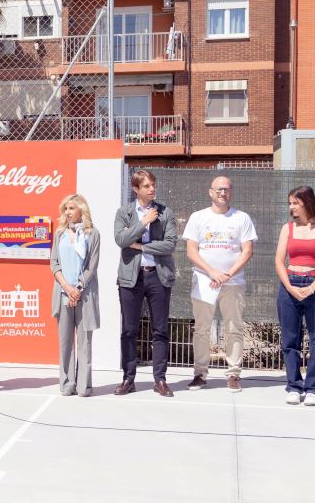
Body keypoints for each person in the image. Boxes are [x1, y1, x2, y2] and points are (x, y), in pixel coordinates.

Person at [183, 175, 256, 393]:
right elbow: (191, 251)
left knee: (234, 328)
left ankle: (233, 374)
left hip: (233, 283)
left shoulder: (242, 218)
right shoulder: (198, 217)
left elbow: (247, 251)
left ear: (231, 192)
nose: (223, 193)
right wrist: (212, 272)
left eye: (227, 189)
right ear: (210, 192)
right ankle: (200, 374)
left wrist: (228, 274)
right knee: (201, 329)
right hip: (204, 281)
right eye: (219, 189)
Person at [113, 169, 178, 397]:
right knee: (129, 330)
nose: (152, 189)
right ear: (136, 189)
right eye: (147, 186)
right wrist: (143, 223)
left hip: (158, 276)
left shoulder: (165, 212)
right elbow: (121, 239)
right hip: (131, 277)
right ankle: (128, 379)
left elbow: (170, 244)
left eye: (153, 185)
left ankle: (160, 379)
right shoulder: (124, 212)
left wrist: (140, 246)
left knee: (160, 329)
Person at [272, 186, 315, 406]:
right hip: (290, 285)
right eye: (290, 203)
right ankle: (294, 386)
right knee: (290, 340)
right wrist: (290, 287)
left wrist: (313, 288)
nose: (291, 207)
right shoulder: (287, 228)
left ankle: (314, 389)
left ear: (307, 203)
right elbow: (279, 261)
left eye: (295, 203)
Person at [49, 194, 101, 397]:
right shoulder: (60, 233)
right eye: (65, 209)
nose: (68, 212)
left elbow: (92, 266)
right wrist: (67, 287)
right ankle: (67, 384)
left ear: (82, 210)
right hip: (63, 291)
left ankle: (83, 387)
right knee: (65, 342)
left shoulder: (93, 234)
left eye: (71, 208)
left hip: (84, 294)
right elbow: (54, 263)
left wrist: (77, 289)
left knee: (85, 342)